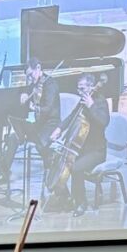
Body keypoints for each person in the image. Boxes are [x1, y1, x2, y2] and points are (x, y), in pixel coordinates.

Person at [46, 72, 109, 214]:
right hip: (81, 149)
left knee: (75, 168)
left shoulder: (100, 101)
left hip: (96, 151)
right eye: (78, 88)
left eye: (82, 88)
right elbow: (71, 117)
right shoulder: (82, 103)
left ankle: (81, 203)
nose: (79, 92)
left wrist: (91, 105)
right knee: (52, 158)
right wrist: (59, 129)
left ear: (91, 87)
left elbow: (104, 122)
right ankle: (66, 197)